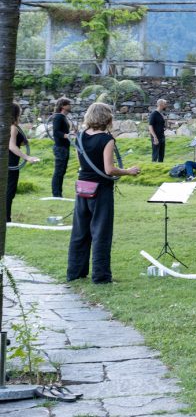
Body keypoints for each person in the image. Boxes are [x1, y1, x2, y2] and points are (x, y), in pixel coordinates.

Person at [66, 103, 140, 283]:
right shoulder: (107, 139)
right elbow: (109, 169)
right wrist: (128, 171)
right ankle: (101, 276)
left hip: (83, 187)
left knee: (79, 232)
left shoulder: (80, 136)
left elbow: (82, 164)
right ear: (107, 118)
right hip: (100, 190)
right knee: (101, 233)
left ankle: (75, 272)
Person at [7, 103, 41, 221]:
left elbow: (17, 143)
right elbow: (11, 146)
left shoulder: (11, 126)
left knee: (9, 191)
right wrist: (27, 157)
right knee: (9, 192)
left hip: (11, 162)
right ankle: (6, 219)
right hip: (10, 162)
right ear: (15, 113)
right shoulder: (13, 128)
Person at [50, 97, 73, 198]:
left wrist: (70, 133)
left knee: (62, 171)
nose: (70, 106)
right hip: (60, 148)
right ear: (63, 106)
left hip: (64, 147)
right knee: (59, 171)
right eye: (69, 104)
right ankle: (56, 194)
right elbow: (56, 132)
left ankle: (59, 193)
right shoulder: (58, 117)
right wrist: (67, 135)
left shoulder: (63, 117)